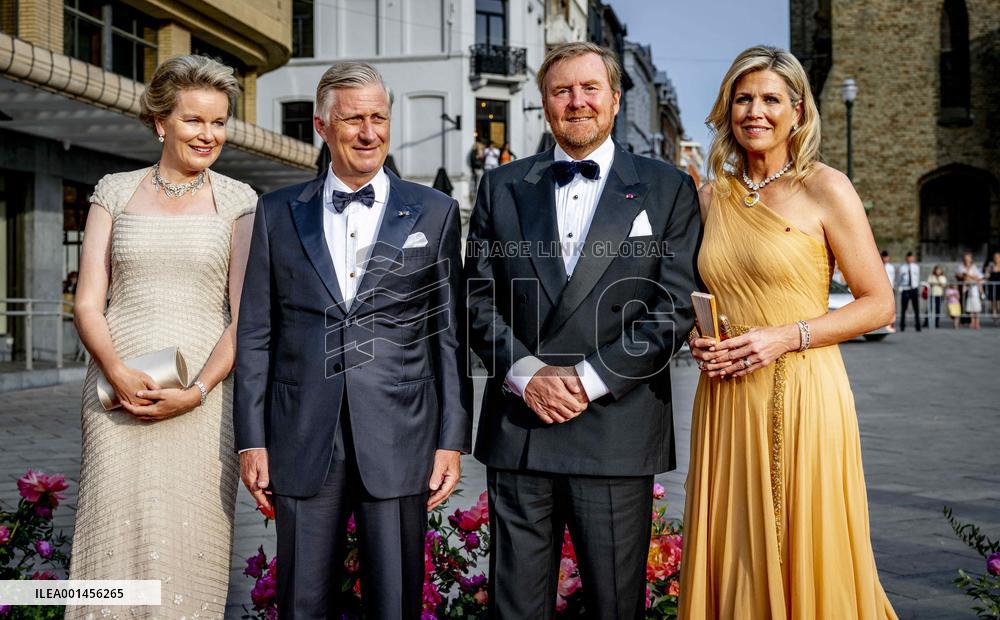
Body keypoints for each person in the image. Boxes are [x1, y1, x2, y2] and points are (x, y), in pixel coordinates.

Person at [465, 42, 700, 617]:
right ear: (543, 102)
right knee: (515, 605)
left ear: (615, 100)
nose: (577, 102)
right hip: (523, 427)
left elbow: (674, 305)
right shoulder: (502, 186)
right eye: (562, 90)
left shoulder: (669, 187)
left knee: (615, 606)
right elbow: (475, 295)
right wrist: (529, 375)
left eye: (590, 88)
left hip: (617, 429)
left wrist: (589, 379)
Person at [234, 62, 471, 618]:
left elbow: (450, 336)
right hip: (299, 433)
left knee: (395, 601)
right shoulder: (274, 213)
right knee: (301, 601)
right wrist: (252, 441)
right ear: (321, 126)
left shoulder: (435, 212)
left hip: (400, 434)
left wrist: (451, 440)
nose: (369, 133)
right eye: (354, 120)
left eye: (379, 118)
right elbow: (256, 334)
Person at [683, 46, 897, 619]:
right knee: (737, 546)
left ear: (798, 112)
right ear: (727, 109)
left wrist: (785, 336)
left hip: (805, 389)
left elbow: (879, 305)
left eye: (771, 99)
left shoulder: (826, 187)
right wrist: (694, 339)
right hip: (727, 399)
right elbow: (693, 297)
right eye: (743, 98)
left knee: (806, 538)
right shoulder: (708, 198)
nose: (756, 110)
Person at [67, 55, 257, 619]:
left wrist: (196, 390)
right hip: (113, 394)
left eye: (219, 122)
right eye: (195, 120)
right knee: (110, 534)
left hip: (202, 401)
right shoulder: (114, 191)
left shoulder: (239, 200)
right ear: (160, 122)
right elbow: (87, 300)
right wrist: (116, 371)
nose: (209, 134)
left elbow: (245, 318)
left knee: (187, 541)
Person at [956, 252, 983, 330]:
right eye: (965, 258)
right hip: (963, 288)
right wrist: (969, 277)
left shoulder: (974, 267)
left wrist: (968, 276)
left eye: (968, 258)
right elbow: (960, 275)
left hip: (973, 289)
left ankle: (975, 322)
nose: (967, 260)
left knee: (975, 307)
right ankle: (965, 321)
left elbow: (978, 277)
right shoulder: (961, 266)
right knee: (965, 305)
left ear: (971, 259)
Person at [897, 251, 921, 331]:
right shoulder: (902, 267)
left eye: (911, 257)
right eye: (908, 257)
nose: (910, 259)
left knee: (916, 309)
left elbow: (917, 278)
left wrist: (917, 288)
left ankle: (918, 326)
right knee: (904, 309)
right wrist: (900, 288)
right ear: (906, 258)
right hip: (905, 289)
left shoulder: (916, 267)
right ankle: (902, 326)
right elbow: (899, 279)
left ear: (913, 258)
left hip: (914, 289)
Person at [881, 249, 897, 333]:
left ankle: (891, 324)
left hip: (890, 288)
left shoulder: (891, 267)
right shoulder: (879, 266)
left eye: (886, 257)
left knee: (892, 307)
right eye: (884, 257)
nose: (885, 259)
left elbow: (893, 278)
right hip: (882, 289)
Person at [985, 251, 1000, 323]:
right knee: (993, 302)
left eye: (997, 257)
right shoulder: (991, 266)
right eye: (995, 257)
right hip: (992, 287)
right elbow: (986, 275)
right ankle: (995, 316)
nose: (996, 259)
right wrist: (988, 271)